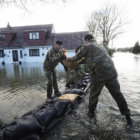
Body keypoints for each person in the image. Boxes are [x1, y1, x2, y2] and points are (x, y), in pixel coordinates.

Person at [67, 34, 136, 128]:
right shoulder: (100, 46)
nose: (84, 42)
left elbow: (76, 57)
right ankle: (129, 120)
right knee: (118, 95)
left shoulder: (87, 46)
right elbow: (91, 58)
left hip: (99, 75)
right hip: (111, 73)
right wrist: (80, 62)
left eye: (84, 41)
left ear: (86, 40)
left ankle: (90, 115)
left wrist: (67, 59)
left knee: (93, 95)